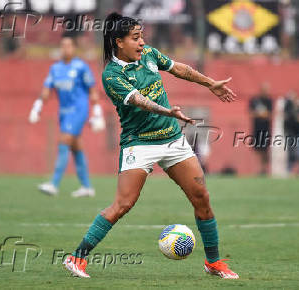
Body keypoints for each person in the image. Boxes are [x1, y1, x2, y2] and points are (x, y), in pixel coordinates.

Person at [62, 12, 239, 279]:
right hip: (139, 144)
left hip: (171, 140)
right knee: (123, 204)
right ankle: (77, 258)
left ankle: (213, 262)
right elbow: (139, 101)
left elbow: (180, 68)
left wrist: (210, 83)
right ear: (119, 42)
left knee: (201, 197)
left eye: (142, 36)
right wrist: (168, 112)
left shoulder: (150, 55)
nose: (142, 42)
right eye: (136, 38)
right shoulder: (111, 75)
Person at [28, 33, 105, 197]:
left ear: (74, 48)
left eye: (68, 45)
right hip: (63, 113)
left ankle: (54, 183)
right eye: (62, 45)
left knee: (63, 141)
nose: (65, 49)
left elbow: (92, 90)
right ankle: (86, 186)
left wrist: (97, 113)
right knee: (76, 146)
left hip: (79, 110)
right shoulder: (55, 68)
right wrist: (37, 106)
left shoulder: (81, 67)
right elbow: (47, 90)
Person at [249, 82, 273, 175]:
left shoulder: (269, 101)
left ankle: (265, 168)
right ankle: (259, 169)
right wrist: (260, 114)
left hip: (266, 129)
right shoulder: (254, 100)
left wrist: (262, 114)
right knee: (257, 149)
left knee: (265, 150)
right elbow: (251, 113)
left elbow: (269, 114)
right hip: (256, 129)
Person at [284, 90, 299, 175]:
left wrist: (296, 115)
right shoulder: (288, 109)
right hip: (291, 134)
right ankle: (289, 171)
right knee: (291, 153)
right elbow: (286, 118)